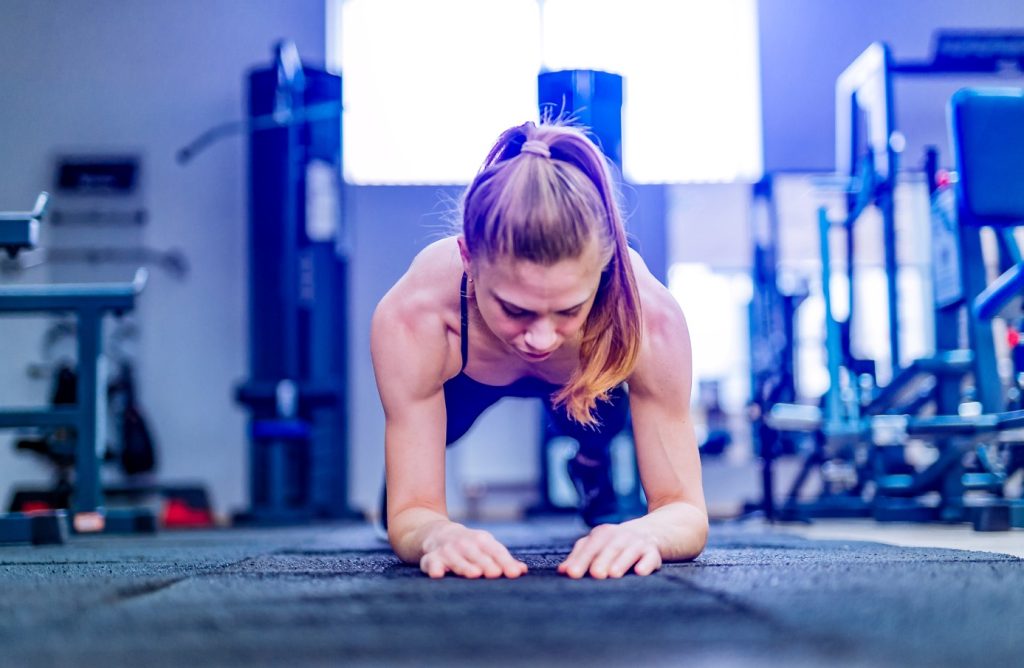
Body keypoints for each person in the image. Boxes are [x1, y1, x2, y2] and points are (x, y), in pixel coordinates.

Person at [370, 119, 707, 580]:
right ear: (469, 257)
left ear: (604, 268)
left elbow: (685, 509)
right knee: (406, 487)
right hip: (467, 376)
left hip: (583, 379)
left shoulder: (651, 318)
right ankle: (400, 469)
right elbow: (414, 514)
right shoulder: (418, 316)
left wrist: (648, 532)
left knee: (601, 421)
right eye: (515, 309)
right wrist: (433, 531)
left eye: (568, 310)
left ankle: (591, 469)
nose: (541, 339)